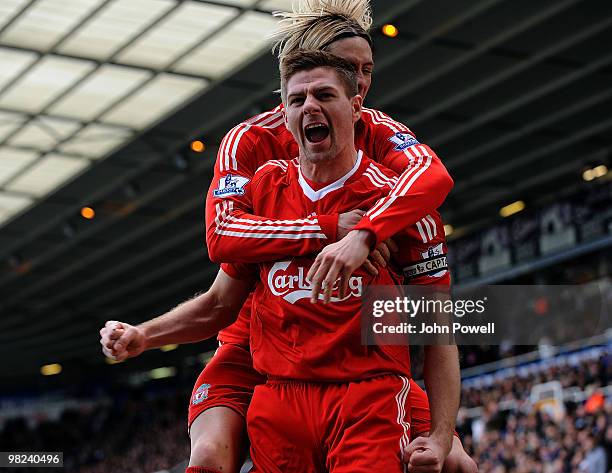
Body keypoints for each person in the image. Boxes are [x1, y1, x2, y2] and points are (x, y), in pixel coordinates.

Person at [100, 1, 476, 472]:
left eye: (366, 71)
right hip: (254, 343)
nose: (362, 80)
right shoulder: (252, 148)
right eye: (348, 67)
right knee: (209, 459)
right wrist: (329, 230)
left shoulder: (380, 139)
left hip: (361, 378)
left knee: (458, 463)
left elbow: (434, 179)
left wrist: (367, 231)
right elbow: (221, 240)